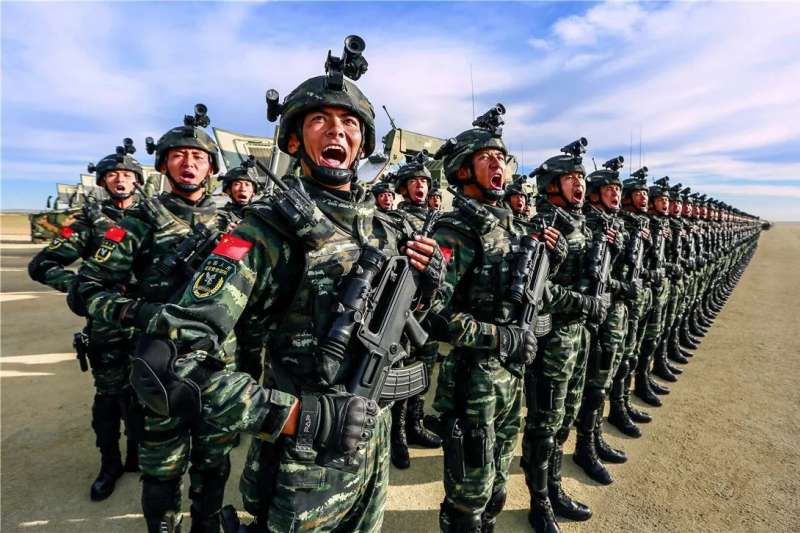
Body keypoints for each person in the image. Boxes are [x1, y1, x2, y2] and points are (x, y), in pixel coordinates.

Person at [137, 36, 443, 532]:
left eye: (349, 123)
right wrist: (296, 415)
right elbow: (167, 365)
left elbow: (406, 329)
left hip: (372, 449)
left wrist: (425, 289)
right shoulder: (265, 231)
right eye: (320, 119)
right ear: (295, 140)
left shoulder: (385, 228)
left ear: (363, 144)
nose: (336, 129)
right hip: (303, 466)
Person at [71, 105, 236, 532]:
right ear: (163, 165)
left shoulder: (233, 223)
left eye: (198, 157)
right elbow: (87, 288)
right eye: (178, 156)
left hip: (219, 365)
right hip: (160, 365)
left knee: (214, 461)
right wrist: (136, 311)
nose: (189, 163)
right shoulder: (135, 221)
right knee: (162, 468)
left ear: (211, 169)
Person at [429, 105, 565, 533]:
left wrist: (552, 264)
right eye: (486, 157)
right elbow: (433, 315)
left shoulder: (514, 228)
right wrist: (501, 337)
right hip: (472, 381)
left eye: (501, 158)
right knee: (468, 499)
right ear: (463, 170)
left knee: (497, 488)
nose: (498, 165)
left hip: (510, 377)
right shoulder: (452, 232)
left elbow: (532, 296)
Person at [29, 138, 143, 501]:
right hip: (107, 325)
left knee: (145, 393)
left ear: (137, 180)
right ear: (103, 181)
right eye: (113, 175)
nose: (120, 180)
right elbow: (43, 264)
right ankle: (109, 464)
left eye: (127, 174)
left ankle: (138, 454)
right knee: (109, 397)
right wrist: (81, 289)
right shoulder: (90, 220)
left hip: (146, 321)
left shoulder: (154, 217)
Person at [521, 138, 608, 532]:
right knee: (544, 424)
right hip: (553, 339)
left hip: (578, 336)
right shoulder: (543, 226)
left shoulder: (581, 224)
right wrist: (585, 302)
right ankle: (539, 501)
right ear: (552, 185)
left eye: (582, 178)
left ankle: (554, 487)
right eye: (572, 178)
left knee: (565, 418)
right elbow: (537, 290)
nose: (580, 184)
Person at [572, 157, 633, 486]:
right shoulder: (588, 227)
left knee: (603, 383)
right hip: (594, 318)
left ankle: (593, 438)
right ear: (595, 194)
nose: (616, 195)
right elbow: (590, 278)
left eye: (618, 190)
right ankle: (585, 448)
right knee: (593, 388)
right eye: (609, 189)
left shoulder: (614, 225)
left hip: (612, 315)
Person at [384, 155, 443, 470]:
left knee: (423, 371)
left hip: (429, 309)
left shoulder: (439, 221)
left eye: (424, 181)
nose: (420, 186)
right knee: (399, 372)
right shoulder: (394, 220)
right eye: (414, 181)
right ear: (403, 187)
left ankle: (415, 424)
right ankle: (397, 434)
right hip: (402, 309)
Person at [606, 170, 653, 438]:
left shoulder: (634, 225)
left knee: (630, 356)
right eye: (638, 193)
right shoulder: (614, 226)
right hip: (614, 306)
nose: (644, 197)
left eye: (646, 193)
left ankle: (622, 403)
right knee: (608, 370)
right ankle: (613, 411)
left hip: (631, 302)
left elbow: (639, 265)